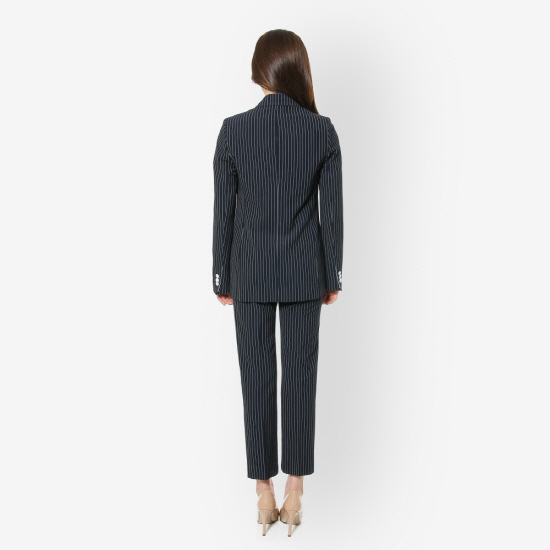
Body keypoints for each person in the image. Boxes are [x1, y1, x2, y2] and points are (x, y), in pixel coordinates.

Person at [212, 29, 343, 537]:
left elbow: (223, 212)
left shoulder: (233, 131)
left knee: (257, 374)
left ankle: (263, 492)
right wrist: (332, 272)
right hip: (305, 272)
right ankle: (295, 490)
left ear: (259, 72)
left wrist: (220, 273)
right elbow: (331, 213)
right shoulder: (322, 131)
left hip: (248, 271)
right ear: (297, 69)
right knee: (301, 373)